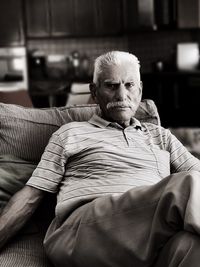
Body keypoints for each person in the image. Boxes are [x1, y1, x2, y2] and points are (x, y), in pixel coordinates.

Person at [1, 51, 200, 267]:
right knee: (187, 184)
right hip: (82, 232)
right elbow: (31, 196)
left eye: (129, 85)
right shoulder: (70, 133)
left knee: (189, 245)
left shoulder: (160, 135)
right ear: (94, 92)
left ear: (140, 89)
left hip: (148, 236)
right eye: (112, 86)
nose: (122, 95)